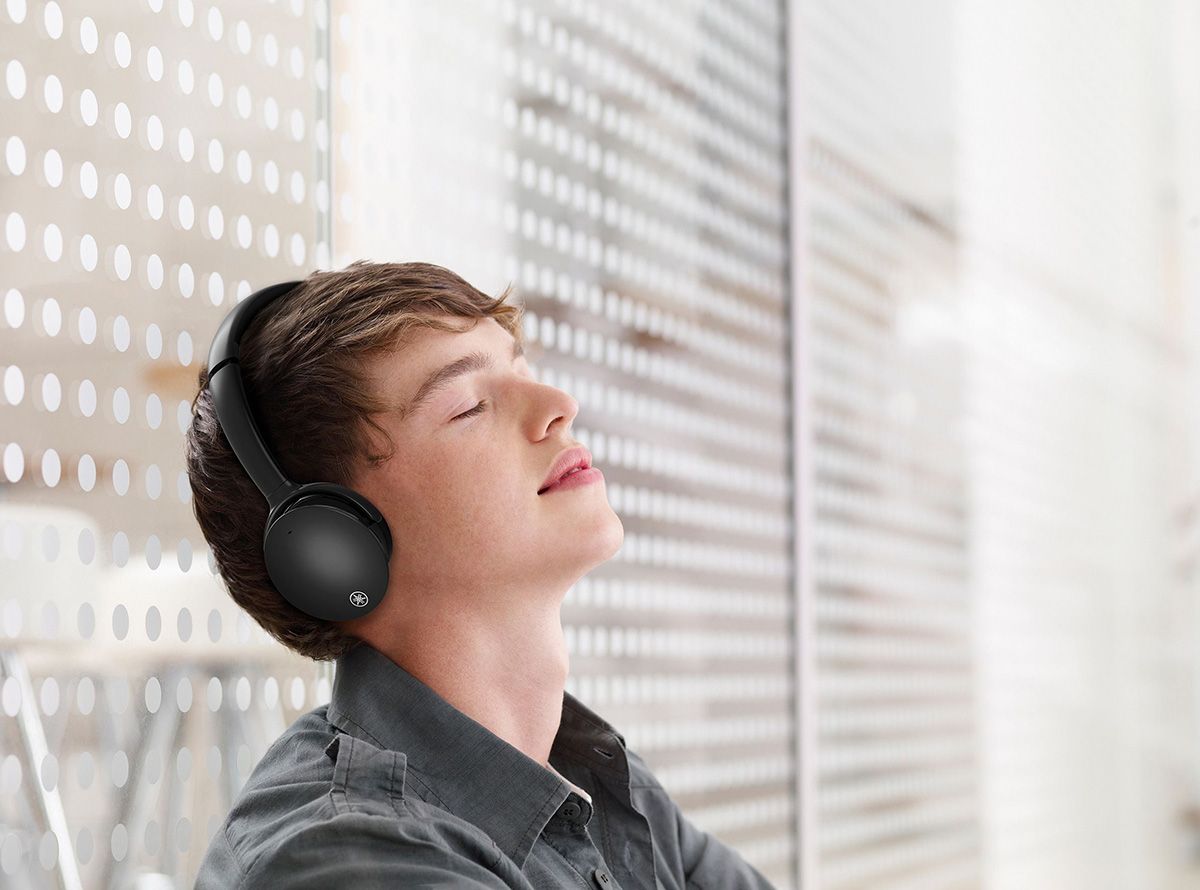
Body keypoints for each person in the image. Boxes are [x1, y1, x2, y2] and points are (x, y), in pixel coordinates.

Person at [187, 260, 777, 888]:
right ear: (334, 547)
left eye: (521, 369)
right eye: (469, 406)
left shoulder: (590, 783)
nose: (559, 406)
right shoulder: (351, 858)